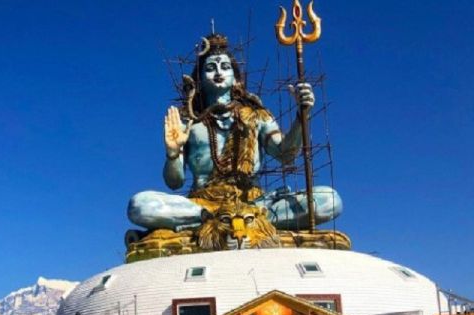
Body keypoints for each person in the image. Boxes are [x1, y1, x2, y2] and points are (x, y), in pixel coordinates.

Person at [127, 33, 340, 233]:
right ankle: (217, 218)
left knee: (329, 200)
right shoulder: (189, 121)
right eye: (210, 67)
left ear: (234, 76)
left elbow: (286, 154)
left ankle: (238, 218)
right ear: (199, 78)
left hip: (253, 202)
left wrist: (301, 117)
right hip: (201, 204)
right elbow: (175, 183)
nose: (218, 72)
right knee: (140, 205)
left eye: (225, 66)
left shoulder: (257, 115)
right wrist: (173, 153)